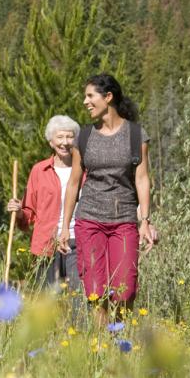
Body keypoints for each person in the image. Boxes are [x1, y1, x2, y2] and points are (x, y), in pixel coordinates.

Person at [63, 74, 155, 324]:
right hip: (89, 221)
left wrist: (145, 220)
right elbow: (73, 183)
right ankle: (102, 347)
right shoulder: (83, 137)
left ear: (108, 97)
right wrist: (64, 226)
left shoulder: (136, 135)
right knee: (95, 291)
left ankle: (120, 337)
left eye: (90, 96)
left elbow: (142, 179)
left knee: (126, 291)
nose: (85, 102)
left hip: (124, 220)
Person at [6, 115, 84, 304]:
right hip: (47, 245)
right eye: (60, 137)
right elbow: (28, 216)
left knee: (79, 301)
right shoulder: (39, 171)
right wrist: (18, 211)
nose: (65, 142)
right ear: (51, 141)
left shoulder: (85, 170)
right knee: (49, 303)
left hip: (79, 241)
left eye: (70, 137)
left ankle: (82, 333)